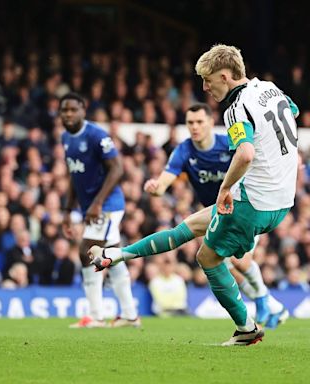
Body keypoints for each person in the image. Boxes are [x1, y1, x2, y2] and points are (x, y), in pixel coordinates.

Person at [90, 44, 299, 345]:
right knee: (190, 226)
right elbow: (292, 112)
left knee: (208, 257)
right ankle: (117, 255)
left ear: (225, 77)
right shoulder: (269, 89)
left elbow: (246, 152)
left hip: (253, 200)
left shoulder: (236, 108)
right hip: (282, 198)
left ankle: (246, 328)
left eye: (208, 79)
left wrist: (225, 188)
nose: (205, 86)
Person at [141, 102, 287, 327]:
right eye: (190, 122)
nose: (195, 127)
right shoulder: (183, 150)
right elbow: (163, 183)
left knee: (241, 261)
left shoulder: (227, 144)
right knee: (224, 265)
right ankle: (272, 305)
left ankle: (262, 300)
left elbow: (250, 162)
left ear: (211, 122)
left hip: (242, 208)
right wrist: (156, 187)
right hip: (214, 216)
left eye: (200, 122)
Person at [60, 92, 139, 328]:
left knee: (86, 250)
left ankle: (95, 316)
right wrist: (68, 209)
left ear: (83, 111)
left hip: (108, 205)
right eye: (64, 110)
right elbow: (74, 176)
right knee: (113, 256)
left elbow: (117, 169)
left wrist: (97, 203)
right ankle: (130, 314)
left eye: (73, 109)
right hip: (92, 207)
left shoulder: (97, 135)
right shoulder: (66, 138)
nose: (69, 114)